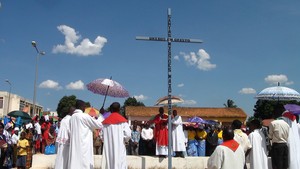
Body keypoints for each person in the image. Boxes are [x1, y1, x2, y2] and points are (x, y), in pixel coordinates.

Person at [68, 100, 103, 169]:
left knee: (75, 162)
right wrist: (100, 115)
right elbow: (99, 125)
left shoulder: (72, 118)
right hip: (83, 145)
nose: (85, 109)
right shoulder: (84, 116)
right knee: (84, 162)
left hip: (75, 144)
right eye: (84, 107)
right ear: (82, 107)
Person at [101, 102, 131, 169]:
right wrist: (124, 140)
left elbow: (101, 135)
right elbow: (128, 135)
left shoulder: (105, 122)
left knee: (109, 163)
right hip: (119, 146)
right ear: (119, 109)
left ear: (111, 109)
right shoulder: (123, 121)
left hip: (108, 147)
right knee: (120, 163)